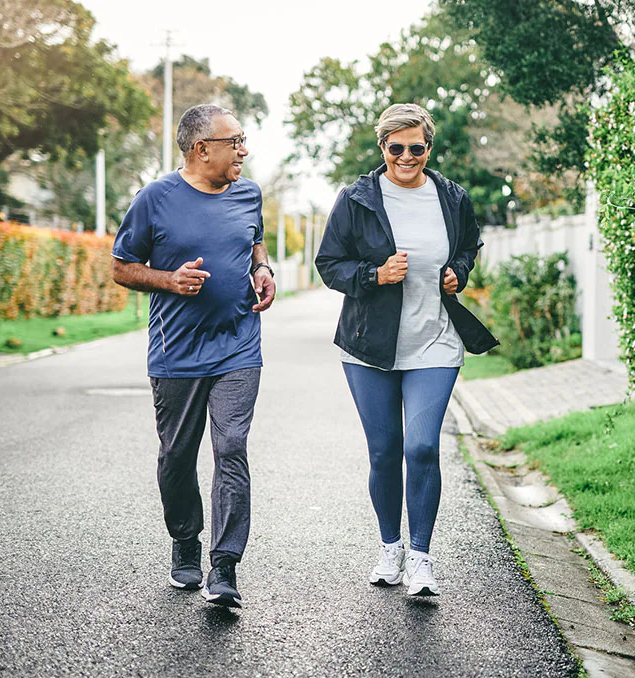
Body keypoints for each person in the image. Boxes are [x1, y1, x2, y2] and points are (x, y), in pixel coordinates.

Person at [316, 103, 499, 597]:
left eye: (416, 148)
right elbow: (329, 263)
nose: (406, 157)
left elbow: (469, 245)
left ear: (428, 148)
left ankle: (420, 557)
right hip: (368, 346)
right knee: (384, 451)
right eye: (395, 148)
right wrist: (374, 275)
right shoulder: (356, 199)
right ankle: (390, 547)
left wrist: (459, 271)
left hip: (435, 339)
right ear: (382, 148)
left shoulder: (451, 197)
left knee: (420, 446)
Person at [110, 103, 275, 608]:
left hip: (238, 345)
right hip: (175, 351)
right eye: (236, 142)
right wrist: (168, 280)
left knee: (231, 447)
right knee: (177, 456)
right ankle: (185, 538)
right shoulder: (155, 199)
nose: (244, 151)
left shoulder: (249, 193)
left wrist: (263, 269)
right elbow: (121, 267)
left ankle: (224, 567)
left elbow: (256, 242)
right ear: (202, 149)